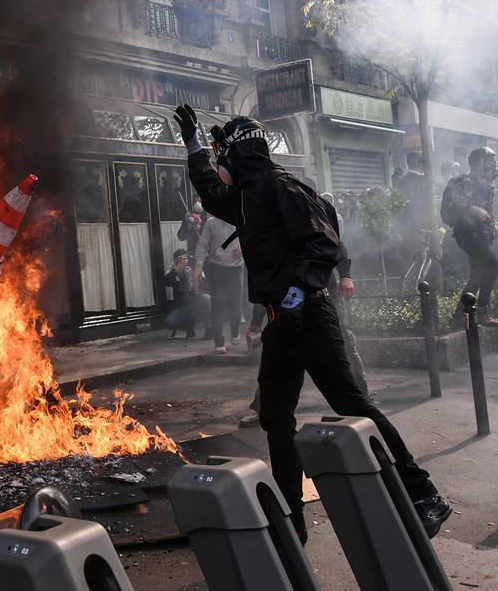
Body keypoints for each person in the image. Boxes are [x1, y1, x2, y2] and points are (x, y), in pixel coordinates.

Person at [173, 104, 451, 544]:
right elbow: (209, 190)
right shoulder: (246, 196)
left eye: (220, 155)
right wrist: (192, 145)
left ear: (237, 155)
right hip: (283, 320)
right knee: (275, 418)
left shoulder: (283, 187)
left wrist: (297, 295)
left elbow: (323, 244)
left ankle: (423, 494)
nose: (219, 165)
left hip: (310, 316)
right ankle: (290, 519)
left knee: (353, 403)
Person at [441, 147, 498, 326]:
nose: (491, 165)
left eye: (492, 160)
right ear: (477, 163)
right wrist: (473, 210)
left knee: (478, 275)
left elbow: (489, 208)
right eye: (487, 161)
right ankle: (481, 312)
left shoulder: (487, 184)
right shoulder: (461, 181)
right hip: (466, 233)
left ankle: (459, 318)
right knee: (493, 268)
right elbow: (452, 204)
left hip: (481, 234)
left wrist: (494, 224)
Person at [194, 210, 244, 354]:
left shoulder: (242, 220)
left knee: (236, 306)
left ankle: (235, 330)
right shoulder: (211, 223)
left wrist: (243, 248)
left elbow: (255, 239)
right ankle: (219, 340)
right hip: (216, 269)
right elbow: (202, 245)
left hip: (236, 269)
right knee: (218, 304)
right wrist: (198, 266)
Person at [164, 249, 196, 338]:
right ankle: (186, 327)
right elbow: (167, 282)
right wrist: (177, 270)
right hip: (181, 305)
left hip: (195, 301)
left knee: (206, 301)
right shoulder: (173, 269)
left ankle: (208, 328)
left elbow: (203, 282)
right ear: (176, 260)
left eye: (186, 258)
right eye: (182, 258)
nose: (185, 260)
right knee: (169, 323)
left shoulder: (192, 267)